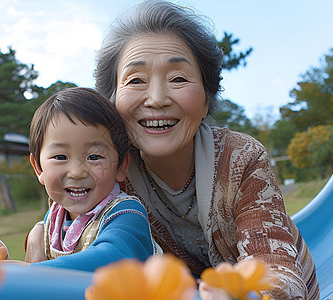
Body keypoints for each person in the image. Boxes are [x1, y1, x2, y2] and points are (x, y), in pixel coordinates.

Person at [93, 0, 319, 299]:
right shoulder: (107, 171)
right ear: (112, 101)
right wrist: (41, 239)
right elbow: (76, 242)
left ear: (206, 98)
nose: (157, 98)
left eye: (178, 78)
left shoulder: (242, 158)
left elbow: (275, 273)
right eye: (136, 80)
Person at [0, 87, 157, 272]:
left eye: (94, 157)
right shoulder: (54, 219)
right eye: (60, 157)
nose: (77, 172)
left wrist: (32, 272)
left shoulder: (126, 214)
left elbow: (115, 259)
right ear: (38, 168)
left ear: (121, 166)